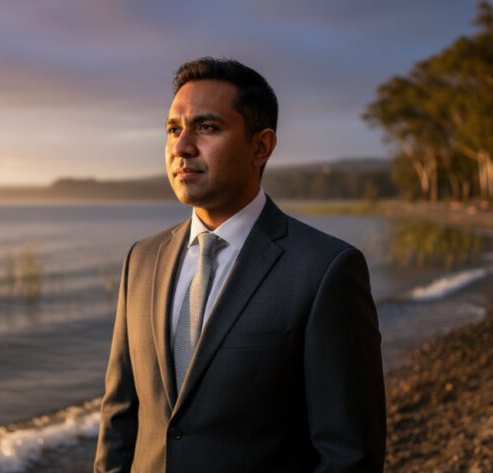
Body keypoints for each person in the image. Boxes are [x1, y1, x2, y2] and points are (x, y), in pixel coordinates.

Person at [94, 57, 386, 473]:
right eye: (173, 129)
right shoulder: (141, 259)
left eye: (206, 127)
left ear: (261, 146)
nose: (181, 147)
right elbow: (119, 416)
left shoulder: (326, 270)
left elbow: (349, 456)